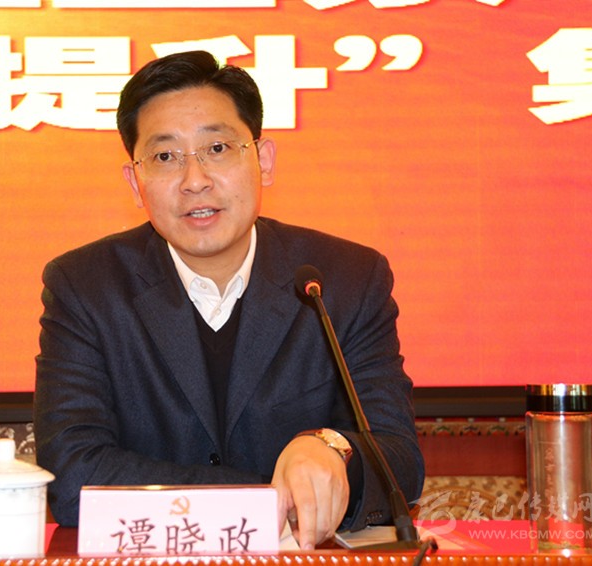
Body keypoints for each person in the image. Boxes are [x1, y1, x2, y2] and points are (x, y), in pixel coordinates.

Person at [34, 50, 424, 550]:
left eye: (217, 148)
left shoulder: (344, 279)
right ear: (135, 182)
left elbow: (399, 461)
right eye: (165, 157)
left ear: (263, 160)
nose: (194, 180)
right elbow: (72, 476)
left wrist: (331, 447)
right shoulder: (85, 286)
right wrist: (268, 498)